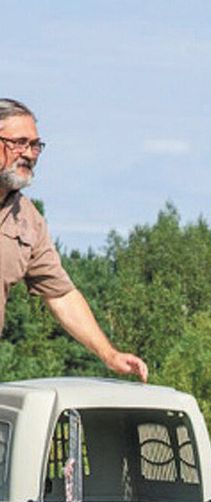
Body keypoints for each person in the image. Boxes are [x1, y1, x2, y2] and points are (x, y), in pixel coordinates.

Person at [0, 98, 147, 380]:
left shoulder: (28, 221)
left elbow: (61, 294)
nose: (29, 154)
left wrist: (109, 354)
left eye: (35, 146)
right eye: (19, 143)